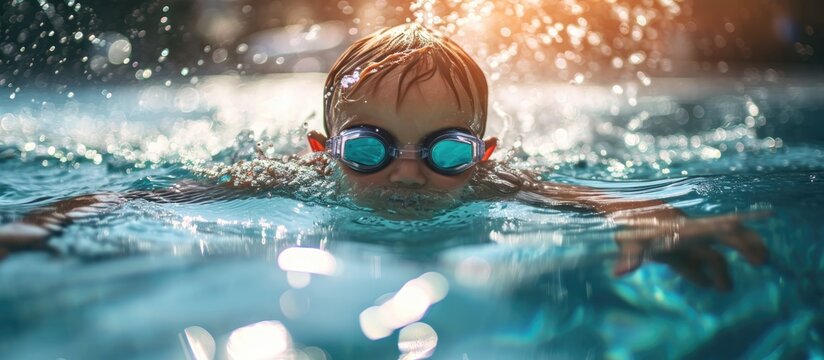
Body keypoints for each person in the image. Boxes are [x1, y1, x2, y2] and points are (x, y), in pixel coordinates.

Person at [0, 23, 767, 289]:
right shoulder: (290, 179)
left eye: (446, 151)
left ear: (484, 154)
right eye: (367, 149)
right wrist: (46, 222)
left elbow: (594, 199)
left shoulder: (495, 183)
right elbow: (158, 196)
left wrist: (661, 221)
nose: (407, 172)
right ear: (324, 152)